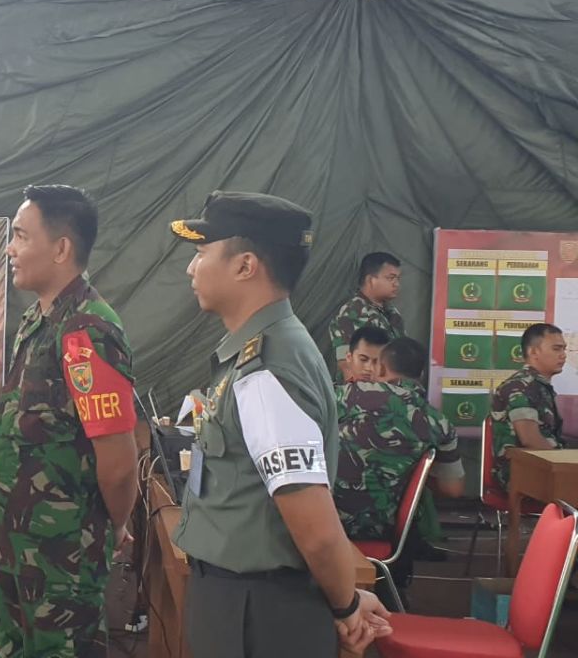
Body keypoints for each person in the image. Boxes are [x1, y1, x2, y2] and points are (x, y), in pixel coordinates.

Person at [170, 190, 391, 658]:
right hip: (252, 602)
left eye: (202, 252)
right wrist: (342, 600)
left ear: (245, 265)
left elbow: (312, 522)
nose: (191, 268)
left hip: (257, 612)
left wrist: (346, 605)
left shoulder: (267, 368)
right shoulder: (267, 350)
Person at [0, 185, 139, 658]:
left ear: (61, 248)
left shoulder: (88, 331)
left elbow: (119, 462)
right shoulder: (38, 321)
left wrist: (112, 527)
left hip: (61, 562)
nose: (10, 248)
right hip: (12, 549)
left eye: (22, 236)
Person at [335, 337, 464, 605]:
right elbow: (454, 488)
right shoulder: (439, 422)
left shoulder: (344, 396)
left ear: (381, 369)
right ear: (420, 375)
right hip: (387, 532)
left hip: (328, 520)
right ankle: (391, 596)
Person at [490, 323, 568, 491]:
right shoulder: (520, 387)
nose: (563, 355)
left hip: (542, 467)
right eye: (556, 349)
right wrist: (564, 466)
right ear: (533, 352)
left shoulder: (539, 386)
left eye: (564, 349)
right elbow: (530, 439)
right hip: (522, 472)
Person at [328, 252, 405, 380]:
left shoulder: (392, 313)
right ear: (370, 280)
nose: (396, 284)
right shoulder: (352, 313)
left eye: (398, 279)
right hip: (367, 394)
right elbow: (349, 369)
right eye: (390, 278)